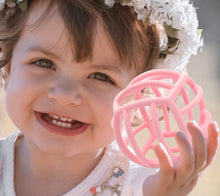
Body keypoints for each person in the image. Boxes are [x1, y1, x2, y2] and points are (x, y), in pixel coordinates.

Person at [0, 0, 218, 195]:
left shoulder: (142, 189)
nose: (65, 95)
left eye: (100, 77)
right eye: (44, 63)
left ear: (139, 97)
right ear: (7, 66)